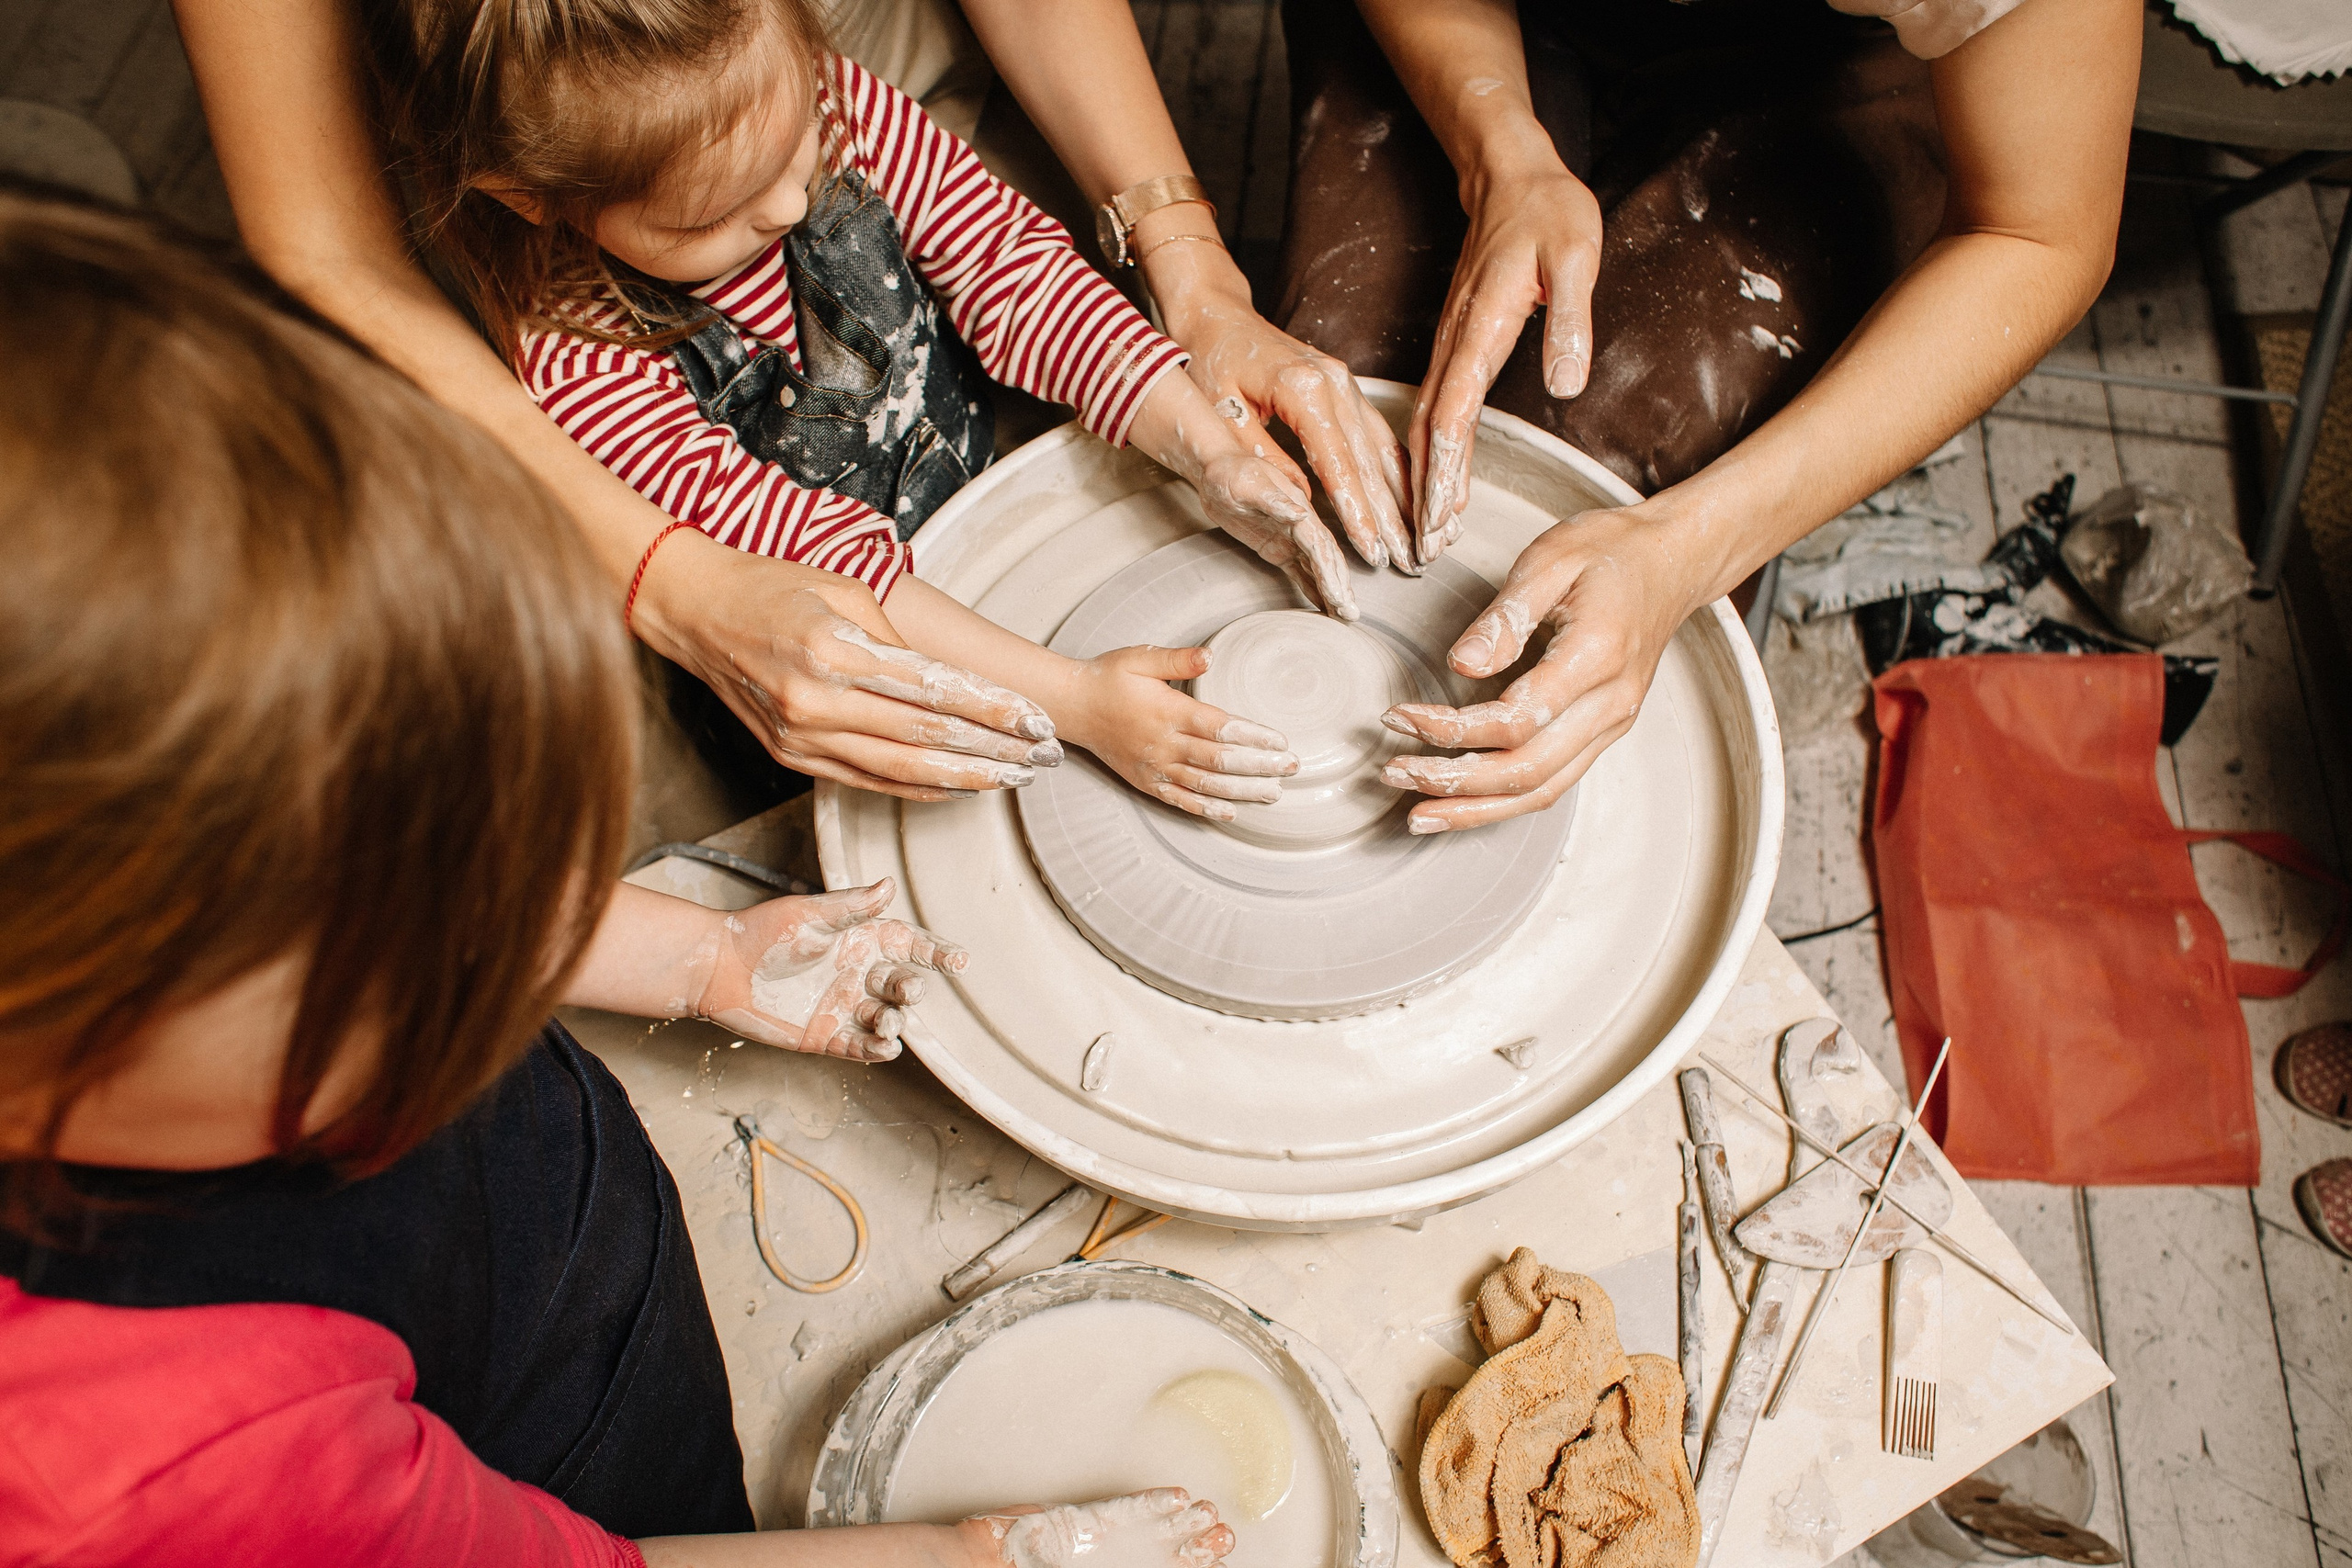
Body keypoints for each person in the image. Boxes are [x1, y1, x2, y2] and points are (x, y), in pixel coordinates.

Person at [0, 185, 1237, 1568]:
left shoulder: (187, 973)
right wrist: (982, 1551)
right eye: (387, 949)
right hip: (485, 1441)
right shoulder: (157, 1462)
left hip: (530, 1236)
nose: (462, 952)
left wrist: (702, 961)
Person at [169, 0, 1408, 809]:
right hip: (835, 621)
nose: (788, 208)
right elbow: (821, 570)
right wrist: (1075, 701)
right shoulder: (581, 365)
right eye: (712, 217)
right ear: (534, 196)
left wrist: (1188, 423)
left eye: (801, 151)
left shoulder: (820, 109)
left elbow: (1010, 271)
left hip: (955, 483)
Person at [1268, 0, 2139, 834]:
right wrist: (1499, 152)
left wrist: (1690, 545)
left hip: (1831, 49)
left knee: (1599, 496)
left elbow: (2040, 233)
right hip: (1476, 19)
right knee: (1337, 435)